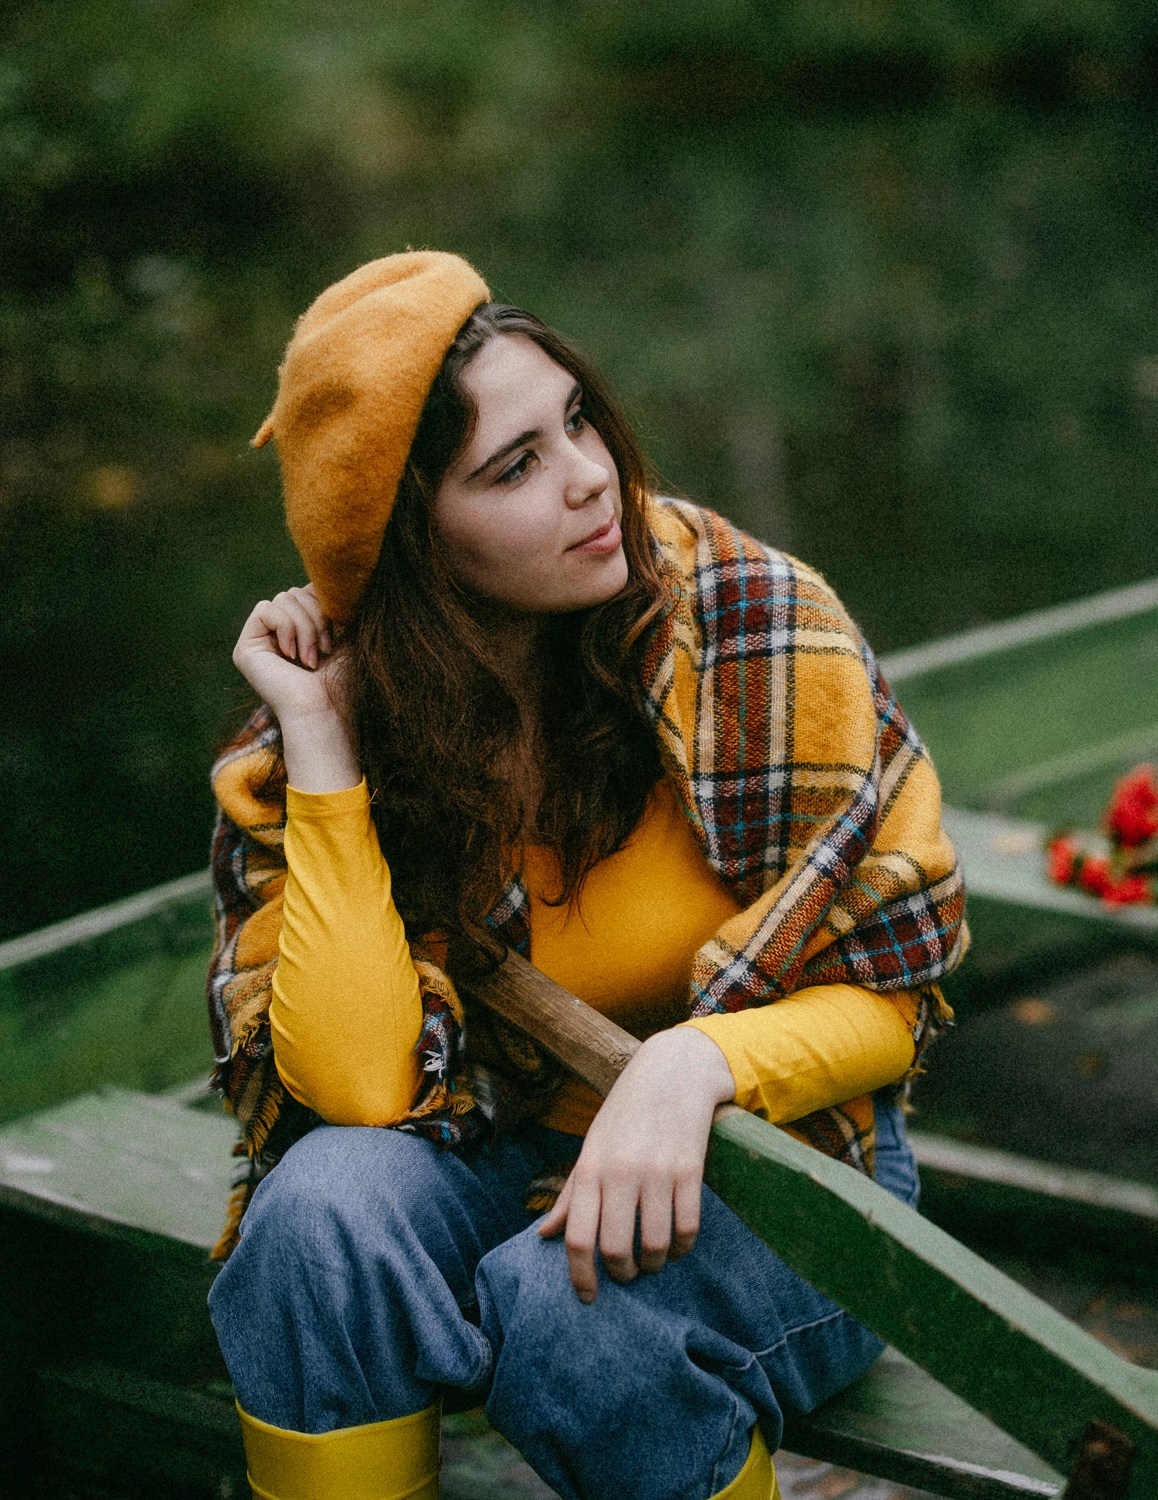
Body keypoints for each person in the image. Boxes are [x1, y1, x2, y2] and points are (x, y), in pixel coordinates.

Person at [202, 251, 968, 1500]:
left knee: (574, 1314)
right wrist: (327, 747)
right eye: (514, 467)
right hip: (498, 1146)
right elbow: (357, 1088)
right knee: (314, 1221)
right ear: (414, 545)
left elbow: (891, 997)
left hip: (786, 1174)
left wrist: (691, 1066)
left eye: (575, 423)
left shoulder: (760, 629)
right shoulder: (335, 743)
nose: (589, 478)